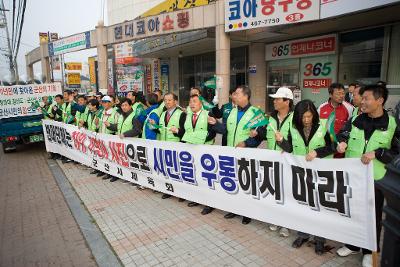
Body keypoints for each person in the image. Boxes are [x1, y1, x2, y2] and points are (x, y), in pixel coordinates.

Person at [335, 84, 400, 267]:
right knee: (352, 212)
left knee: (373, 216)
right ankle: (353, 245)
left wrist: (378, 153)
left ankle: (369, 252)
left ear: (380, 101)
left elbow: (397, 153)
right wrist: (341, 142)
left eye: (366, 98)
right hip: (353, 177)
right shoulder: (356, 119)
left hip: (376, 180)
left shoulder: (392, 124)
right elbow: (343, 134)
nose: (362, 102)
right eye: (361, 98)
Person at [277, 99, 335, 255]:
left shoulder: (324, 125)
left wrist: (318, 153)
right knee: (303, 205)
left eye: (309, 116)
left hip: (320, 174)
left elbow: (333, 146)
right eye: (303, 117)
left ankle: (320, 240)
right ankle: (303, 235)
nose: (306, 120)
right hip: (301, 174)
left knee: (319, 208)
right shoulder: (293, 127)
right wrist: (281, 142)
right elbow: (290, 148)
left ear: (314, 115)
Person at [209, 85, 262, 225]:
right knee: (234, 182)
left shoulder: (256, 112)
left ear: (246, 96)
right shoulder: (232, 111)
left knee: (246, 183)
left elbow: (260, 136)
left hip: (246, 156)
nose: (234, 96)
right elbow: (226, 130)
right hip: (231, 154)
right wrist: (215, 123)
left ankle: (247, 213)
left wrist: (246, 143)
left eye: (237, 94)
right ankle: (234, 209)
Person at [248, 86, 294, 237]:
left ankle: (286, 224)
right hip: (271, 162)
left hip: (288, 163)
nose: (274, 101)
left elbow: (297, 143)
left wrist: (284, 143)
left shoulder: (295, 119)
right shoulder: (270, 118)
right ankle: (275, 218)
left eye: (277, 99)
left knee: (287, 193)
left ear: (287, 101)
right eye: (274, 99)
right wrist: (256, 132)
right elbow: (264, 133)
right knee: (275, 192)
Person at [182, 94, 217, 215]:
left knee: (206, 178)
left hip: (205, 151)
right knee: (195, 175)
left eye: (195, 101)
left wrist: (201, 138)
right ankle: (197, 199)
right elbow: (186, 131)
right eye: (190, 101)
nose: (192, 104)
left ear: (201, 104)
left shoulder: (208, 114)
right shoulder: (188, 115)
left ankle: (209, 204)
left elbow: (213, 132)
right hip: (191, 150)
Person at [149, 93, 186, 199]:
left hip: (176, 148)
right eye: (165, 100)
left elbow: (185, 132)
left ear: (175, 101)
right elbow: (162, 129)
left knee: (178, 171)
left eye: (170, 100)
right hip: (164, 147)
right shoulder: (163, 113)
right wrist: (154, 125)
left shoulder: (181, 114)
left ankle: (181, 193)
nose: (167, 102)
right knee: (168, 170)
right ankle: (169, 190)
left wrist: (178, 131)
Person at [105, 98, 143, 182]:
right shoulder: (121, 115)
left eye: (126, 105)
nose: (124, 107)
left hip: (131, 144)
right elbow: (118, 127)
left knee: (131, 162)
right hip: (121, 143)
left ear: (130, 106)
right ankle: (120, 175)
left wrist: (125, 134)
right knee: (121, 160)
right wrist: (109, 125)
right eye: (122, 105)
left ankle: (132, 178)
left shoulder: (135, 116)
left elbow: (137, 130)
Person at [318, 83, 353, 158]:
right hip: (325, 147)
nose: (341, 96)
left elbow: (350, 128)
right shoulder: (321, 108)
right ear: (330, 95)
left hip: (341, 148)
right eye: (338, 94)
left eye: (343, 93)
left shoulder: (349, 108)